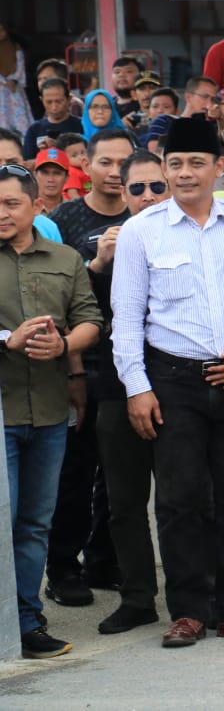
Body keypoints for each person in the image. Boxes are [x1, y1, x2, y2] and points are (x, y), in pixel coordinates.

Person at [111, 117, 224, 648]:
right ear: (164, 169)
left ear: (218, 167)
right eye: (175, 164)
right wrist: (138, 388)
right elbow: (126, 318)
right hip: (173, 381)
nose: (185, 174)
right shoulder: (143, 230)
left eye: (195, 163)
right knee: (179, 499)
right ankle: (188, 611)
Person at [1, 163, 103, 658]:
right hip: (0, 415)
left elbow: (90, 321)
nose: (1, 213)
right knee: (3, 520)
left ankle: (26, 622)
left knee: (35, 523)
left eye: (10, 203)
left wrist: (64, 345)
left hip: (47, 411)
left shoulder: (65, 259)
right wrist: (8, 339)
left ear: (35, 206)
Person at [78, 150, 169, 635]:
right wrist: (99, 264)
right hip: (117, 387)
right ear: (123, 193)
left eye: (158, 187)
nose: (149, 197)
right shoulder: (109, 247)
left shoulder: (190, 237)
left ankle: (195, 591)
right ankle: (138, 597)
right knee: (124, 501)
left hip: (178, 383)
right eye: (138, 189)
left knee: (188, 498)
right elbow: (84, 317)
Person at [43, 129, 135, 607]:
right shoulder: (65, 218)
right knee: (75, 473)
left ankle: (105, 558)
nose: (116, 172)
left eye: (125, 162)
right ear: (90, 166)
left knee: (120, 475)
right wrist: (74, 370)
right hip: (83, 359)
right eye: (105, 162)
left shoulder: (147, 211)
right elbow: (60, 302)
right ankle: (63, 568)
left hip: (133, 362)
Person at [24, 78, 82, 159]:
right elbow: (27, 162)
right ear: (41, 100)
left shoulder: (81, 125)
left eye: (58, 101)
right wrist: (43, 154)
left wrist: (59, 148)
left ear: (69, 99)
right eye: (49, 102)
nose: (54, 107)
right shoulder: (34, 129)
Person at [0, 22, 34, 134]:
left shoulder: (15, 47)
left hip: (14, 88)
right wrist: (3, 81)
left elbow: (20, 66)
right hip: (1, 89)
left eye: (2, 30)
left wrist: (14, 80)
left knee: (20, 124)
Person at [32, 148, 70, 215]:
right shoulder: (26, 209)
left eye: (57, 173)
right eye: (45, 173)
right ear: (35, 175)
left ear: (66, 178)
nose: (50, 179)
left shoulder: (73, 210)